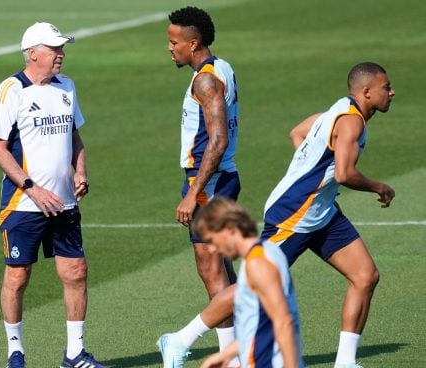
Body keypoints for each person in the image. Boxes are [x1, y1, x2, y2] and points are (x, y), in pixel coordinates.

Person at [261, 61, 395, 368]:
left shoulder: (339, 109)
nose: (392, 92)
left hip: (322, 213)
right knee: (252, 288)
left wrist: (312, 174)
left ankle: (345, 362)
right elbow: (346, 173)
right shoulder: (352, 123)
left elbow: (298, 133)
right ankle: (183, 338)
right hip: (294, 214)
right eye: (386, 87)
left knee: (365, 276)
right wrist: (379, 186)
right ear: (366, 91)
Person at [0, 22, 104, 368]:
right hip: (23, 204)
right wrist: (31, 188)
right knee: (18, 275)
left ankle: (74, 353)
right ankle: (15, 352)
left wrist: (80, 170)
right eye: (55, 49)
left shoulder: (67, 87)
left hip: (65, 202)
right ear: (33, 53)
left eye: (61, 48)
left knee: (76, 272)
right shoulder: (12, 90)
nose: (61, 55)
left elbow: (75, 136)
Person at [157, 6, 241, 368]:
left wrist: (193, 193)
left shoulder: (205, 81)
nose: (170, 48)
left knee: (211, 271)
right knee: (222, 270)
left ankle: (185, 342)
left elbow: (218, 140)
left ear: (194, 43)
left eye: (174, 42)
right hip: (223, 179)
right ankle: (240, 353)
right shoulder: (222, 68)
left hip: (208, 183)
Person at [193, 197, 304, 368]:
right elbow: (258, 327)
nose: (213, 249)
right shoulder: (265, 251)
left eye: (212, 240)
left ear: (229, 229)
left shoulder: (258, 264)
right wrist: (225, 355)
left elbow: (283, 322)